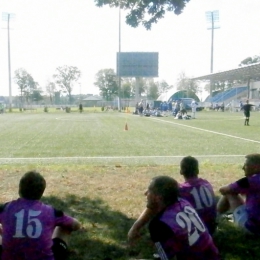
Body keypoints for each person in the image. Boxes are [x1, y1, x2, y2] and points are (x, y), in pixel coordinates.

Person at [128, 156, 217, 245]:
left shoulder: (182, 191)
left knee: (160, 205)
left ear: (181, 171)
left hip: (193, 232)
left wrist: (136, 227)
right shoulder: (206, 184)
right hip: (209, 229)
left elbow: (154, 205)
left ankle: (139, 233)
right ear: (197, 170)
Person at [0, 171, 81, 260]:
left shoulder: (6, 208)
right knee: (64, 226)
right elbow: (75, 225)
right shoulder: (51, 211)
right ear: (41, 192)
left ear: (20, 189)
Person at [142, 176, 220, 260]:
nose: (145, 193)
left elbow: (167, 258)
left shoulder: (158, 224)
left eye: (149, 190)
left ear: (159, 198)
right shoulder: (183, 203)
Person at [217, 153, 260, 235]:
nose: (243, 168)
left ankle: (215, 219)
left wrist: (236, 189)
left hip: (253, 228)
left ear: (256, 168)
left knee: (229, 193)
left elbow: (223, 190)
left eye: (246, 165)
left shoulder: (250, 181)